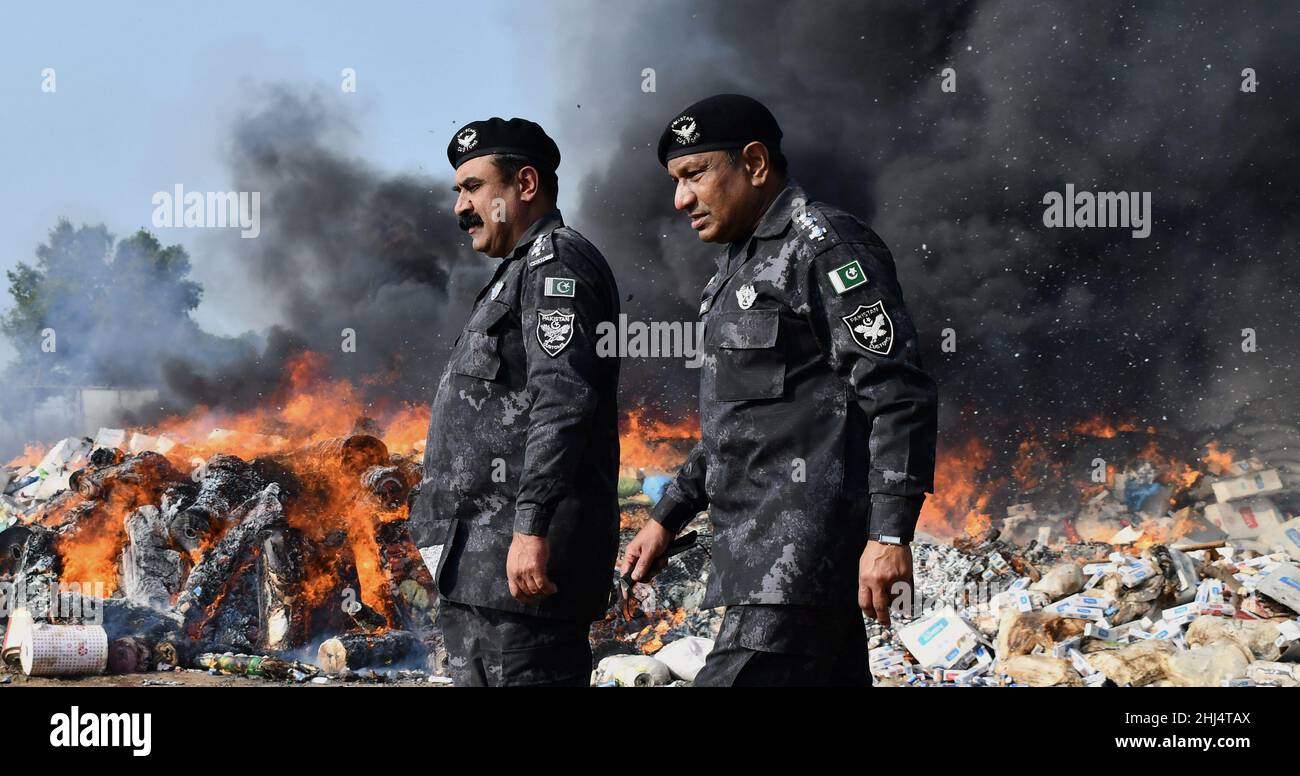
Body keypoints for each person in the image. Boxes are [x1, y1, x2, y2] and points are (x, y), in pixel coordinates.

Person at [620, 94, 938, 686]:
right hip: (762, 563)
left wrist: (890, 534)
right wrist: (668, 515)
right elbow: (737, 424)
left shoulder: (823, 247)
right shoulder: (739, 265)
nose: (680, 199)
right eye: (675, 180)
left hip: (795, 564)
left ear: (756, 163)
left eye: (695, 174)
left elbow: (897, 392)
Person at [410, 117, 620, 686]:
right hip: (484, 575)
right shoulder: (517, 273)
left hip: (523, 575)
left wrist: (531, 530)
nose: (460, 207)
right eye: (457, 191)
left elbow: (563, 402)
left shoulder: (557, 265)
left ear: (525, 185)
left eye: (473, 187)